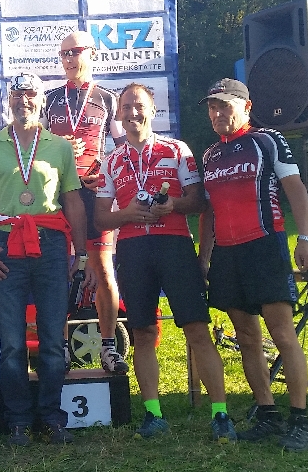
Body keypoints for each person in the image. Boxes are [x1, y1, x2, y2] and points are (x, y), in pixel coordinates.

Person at [95, 83, 235, 442]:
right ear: (118, 114)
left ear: (152, 110)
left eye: (139, 106)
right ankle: (153, 414)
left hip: (174, 245)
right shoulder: (111, 160)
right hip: (133, 250)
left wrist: (172, 205)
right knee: (142, 332)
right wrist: (127, 213)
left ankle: (221, 414)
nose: (132, 113)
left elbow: (198, 201)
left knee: (196, 329)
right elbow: (100, 218)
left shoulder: (176, 149)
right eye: (126, 107)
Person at [0, 72, 94, 446]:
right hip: (6, 246)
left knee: (53, 340)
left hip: (51, 246)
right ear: (9, 100)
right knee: (12, 344)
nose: (24, 100)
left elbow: (73, 202)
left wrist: (82, 253)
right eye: (18, 94)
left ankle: (51, 417)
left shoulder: (59, 146)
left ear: (41, 100)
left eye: (31, 94)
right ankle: (18, 420)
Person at [198, 78, 308, 451]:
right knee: (247, 336)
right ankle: (267, 413)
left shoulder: (267, 140)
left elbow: (296, 189)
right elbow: (207, 211)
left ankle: (300, 420)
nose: (217, 113)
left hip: (265, 244)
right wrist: (204, 256)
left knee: (282, 334)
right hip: (228, 253)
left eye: (225, 105)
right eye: (212, 107)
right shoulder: (210, 155)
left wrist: (306, 239)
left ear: (246, 107)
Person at [42, 30, 128, 374]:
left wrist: (105, 172)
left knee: (103, 269)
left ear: (92, 54)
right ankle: (61, 347)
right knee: (58, 271)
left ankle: (108, 346)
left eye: (75, 51)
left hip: (94, 193)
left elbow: (122, 149)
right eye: (63, 53)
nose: (69, 59)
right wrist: (57, 146)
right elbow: (34, 147)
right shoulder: (49, 99)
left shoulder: (108, 99)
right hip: (57, 194)